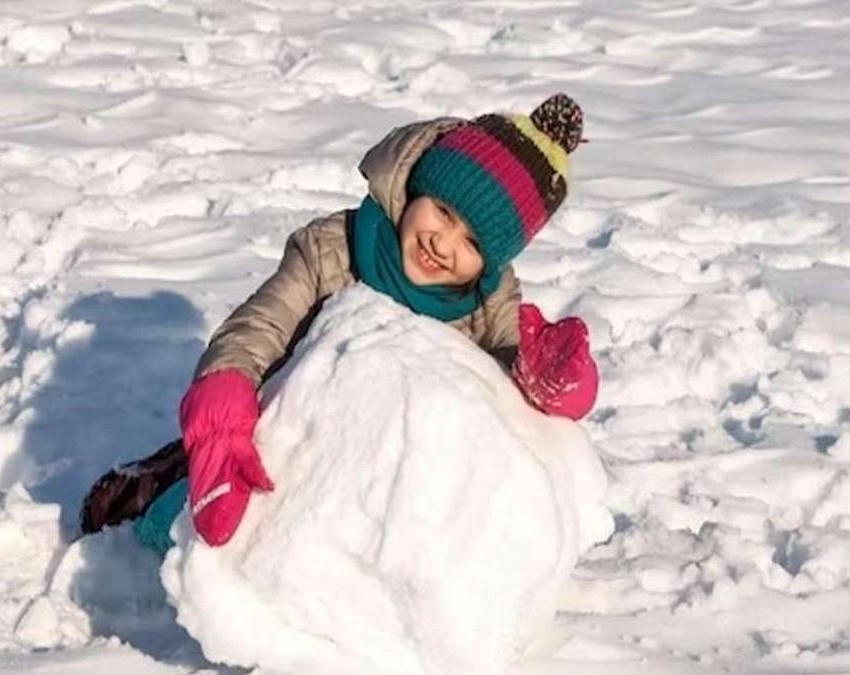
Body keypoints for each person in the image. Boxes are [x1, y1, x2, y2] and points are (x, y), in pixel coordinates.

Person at [80, 93, 599, 551]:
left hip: (391, 481)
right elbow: (262, 325)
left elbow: (514, 397)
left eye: (472, 243)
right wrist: (226, 392)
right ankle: (172, 474)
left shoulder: (490, 307)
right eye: (442, 211)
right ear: (416, 186)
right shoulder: (333, 251)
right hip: (280, 432)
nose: (444, 244)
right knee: (192, 531)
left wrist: (554, 384)